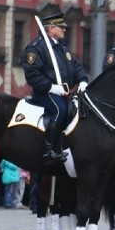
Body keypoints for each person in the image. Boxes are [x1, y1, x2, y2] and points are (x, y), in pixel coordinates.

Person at [21, 11, 89, 165]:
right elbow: (32, 75)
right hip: (46, 92)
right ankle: (48, 149)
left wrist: (83, 80)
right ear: (51, 29)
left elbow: (76, 66)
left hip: (66, 91)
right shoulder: (36, 48)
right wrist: (51, 87)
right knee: (61, 110)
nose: (64, 30)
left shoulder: (62, 48)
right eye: (61, 27)